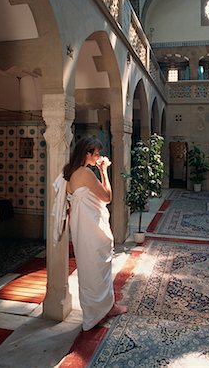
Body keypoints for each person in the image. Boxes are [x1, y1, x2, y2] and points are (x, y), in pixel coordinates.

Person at [63, 136, 128, 331]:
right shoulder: (85, 173)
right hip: (91, 228)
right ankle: (102, 310)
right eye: (96, 153)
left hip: (81, 227)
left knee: (89, 269)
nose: (98, 156)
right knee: (98, 268)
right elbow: (107, 197)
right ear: (87, 154)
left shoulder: (69, 172)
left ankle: (102, 309)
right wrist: (103, 170)